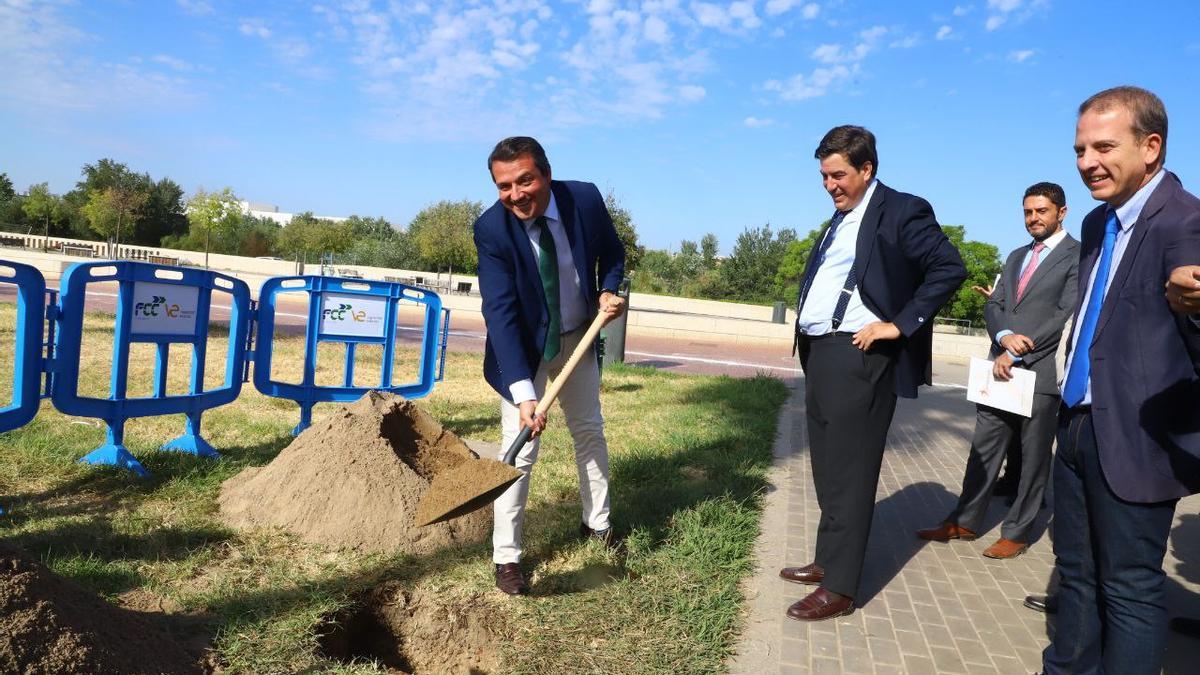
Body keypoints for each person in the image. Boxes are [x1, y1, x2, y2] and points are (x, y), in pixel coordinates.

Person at [779, 125, 967, 621]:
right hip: (821, 355)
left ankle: (840, 589)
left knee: (850, 473)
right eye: (823, 176)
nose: (830, 184)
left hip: (858, 356)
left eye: (838, 174)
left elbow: (949, 268)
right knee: (826, 466)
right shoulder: (840, 218)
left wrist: (898, 324)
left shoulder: (903, 210)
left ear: (867, 169)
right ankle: (827, 560)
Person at [1042, 86, 1200, 674]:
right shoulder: (1095, 220)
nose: (1086, 162)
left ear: (1150, 147)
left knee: (1129, 590)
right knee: (1076, 575)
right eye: (1080, 149)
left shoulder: (1186, 221)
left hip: (1136, 441)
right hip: (1076, 428)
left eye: (1104, 146)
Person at [473, 136, 627, 595]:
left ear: (546, 174)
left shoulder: (585, 199)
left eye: (525, 180)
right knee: (518, 450)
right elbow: (499, 313)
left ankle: (597, 526)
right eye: (504, 186)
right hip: (523, 348)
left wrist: (610, 288)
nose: (516, 194)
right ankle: (507, 557)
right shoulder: (491, 230)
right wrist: (524, 394)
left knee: (589, 430)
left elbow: (613, 256)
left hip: (578, 334)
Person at [918, 182, 1079, 558]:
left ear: (1062, 212)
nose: (1033, 218)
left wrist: (1020, 349)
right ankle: (965, 520)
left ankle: (1018, 532)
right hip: (1000, 369)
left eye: (1041, 211)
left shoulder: (1078, 256)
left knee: (1034, 458)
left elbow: (1066, 313)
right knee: (984, 449)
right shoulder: (1016, 255)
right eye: (1028, 212)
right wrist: (1005, 335)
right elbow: (996, 304)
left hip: (1039, 373)